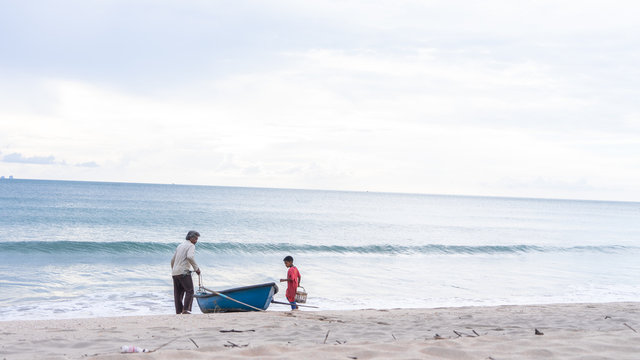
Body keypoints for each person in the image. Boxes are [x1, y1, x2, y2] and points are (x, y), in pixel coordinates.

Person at [170, 230, 201, 314]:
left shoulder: (180, 246)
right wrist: (196, 268)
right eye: (196, 239)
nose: (196, 241)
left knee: (178, 293)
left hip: (175, 272)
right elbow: (190, 257)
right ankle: (186, 310)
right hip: (183, 272)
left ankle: (179, 311)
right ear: (191, 238)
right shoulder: (191, 246)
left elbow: (172, 260)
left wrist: (174, 270)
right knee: (190, 291)